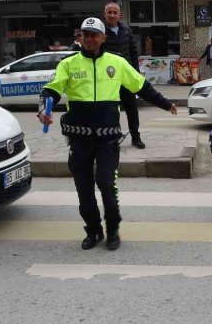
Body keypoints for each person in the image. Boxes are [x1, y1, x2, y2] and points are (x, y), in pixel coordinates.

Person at [38, 17, 177, 251]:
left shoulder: (117, 62)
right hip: (79, 139)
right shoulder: (68, 64)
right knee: (84, 190)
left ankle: (113, 229)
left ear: (103, 37)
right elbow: (50, 90)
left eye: (94, 35)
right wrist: (44, 108)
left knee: (106, 184)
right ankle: (93, 231)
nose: (89, 39)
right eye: (86, 34)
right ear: (80, 37)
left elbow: (142, 87)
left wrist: (165, 104)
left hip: (108, 139)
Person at [102, 2, 146, 149]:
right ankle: (114, 137)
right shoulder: (100, 31)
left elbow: (134, 52)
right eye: (110, 12)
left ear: (119, 14)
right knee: (112, 110)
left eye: (115, 12)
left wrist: (136, 73)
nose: (112, 15)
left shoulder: (126, 30)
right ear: (105, 14)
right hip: (108, 79)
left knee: (132, 109)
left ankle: (136, 137)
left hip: (126, 77)